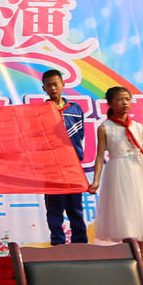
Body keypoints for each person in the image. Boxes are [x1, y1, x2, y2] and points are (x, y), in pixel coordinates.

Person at [88, 86, 143, 276]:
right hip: (118, 172)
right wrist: (96, 181)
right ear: (110, 103)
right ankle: (132, 262)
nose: (125, 103)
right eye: (120, 99)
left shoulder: (138, 127)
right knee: (125, 217)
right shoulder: (105, 128)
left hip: (139, 173)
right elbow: (100, 157)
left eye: (127, 99)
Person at [40, 69, 88, 245]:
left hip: (72, 165)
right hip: (51, 167)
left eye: (56, 84)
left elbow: (79, 135)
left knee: (75, 207)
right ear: (44, 88)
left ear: (63, 84)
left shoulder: (75, 109)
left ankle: (80, 244)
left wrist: (74, 155)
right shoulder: (40, 111)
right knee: (54, 209)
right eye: (49, 85)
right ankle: (58, 244)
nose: (53, 88)